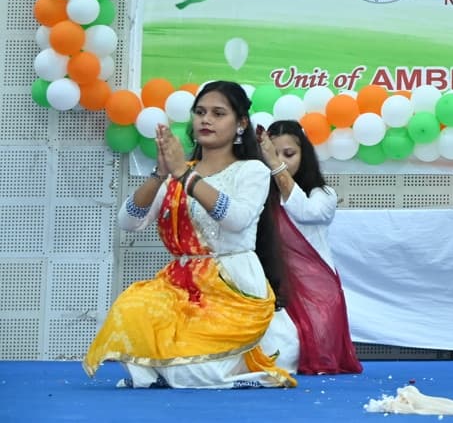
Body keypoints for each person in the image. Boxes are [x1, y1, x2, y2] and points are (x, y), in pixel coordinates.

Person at [84, 81, 297, 388]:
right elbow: (128, 221)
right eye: (200, 112)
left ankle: (235, 368)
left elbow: (235, 219)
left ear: (241, 124)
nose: (205, 119)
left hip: (231, 284)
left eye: (218, 113)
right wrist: (160, 174)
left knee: (194, 374)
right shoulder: (175, 174)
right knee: (131, 307)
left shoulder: (252, 171)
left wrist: (185, 175)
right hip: (180, 285)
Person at [261, 120, 362, 375]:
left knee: (305, 359)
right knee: (278, 357)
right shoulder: (257, 194)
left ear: (304, 155)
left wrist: (275, 166)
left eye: (289, 154)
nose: (282, 160)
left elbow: (306, 212)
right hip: (273, 292)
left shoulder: (323, 193)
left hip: (317, 295)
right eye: (274, 154)